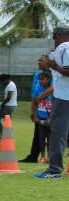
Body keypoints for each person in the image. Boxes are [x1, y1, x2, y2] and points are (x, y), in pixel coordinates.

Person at [36, 24, 69, 178]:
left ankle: (54, 170)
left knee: (57, 133)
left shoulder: (65, 47)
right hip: (63, 96)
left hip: (64, 97)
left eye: (54, 36)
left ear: (58, 36)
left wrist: (52, 65)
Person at [20, 57, 50, 163]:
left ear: (48, 61)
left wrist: (40, 96)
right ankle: (33, 156)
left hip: (51, 109)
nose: (39, 62)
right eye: (38, 60)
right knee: (38, 134)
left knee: (52, 135)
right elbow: (34, 93)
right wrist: (33, 112)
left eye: (41, 61)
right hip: (40, 108)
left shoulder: (54, 74)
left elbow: (53, 89)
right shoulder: (37, 75)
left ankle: (51, 156)